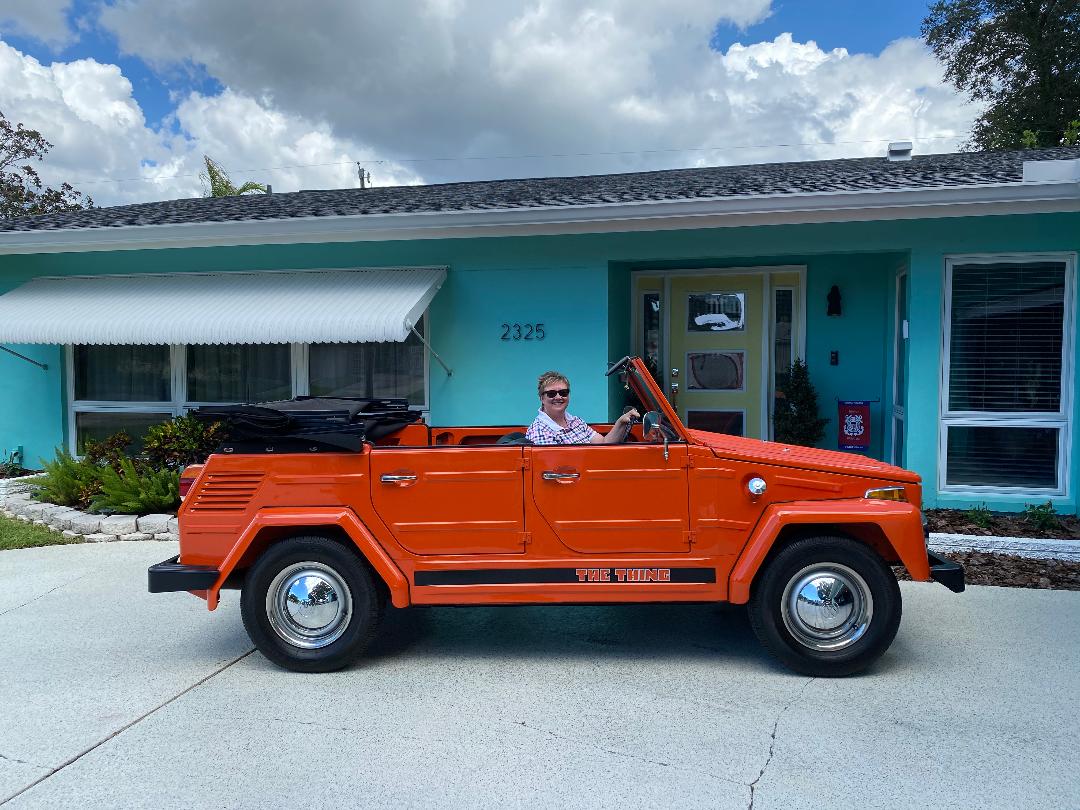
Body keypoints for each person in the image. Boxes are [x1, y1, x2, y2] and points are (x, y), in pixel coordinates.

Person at [525, 370, 639, 445]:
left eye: (563, 392)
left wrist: (621, 422)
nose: (558, 397)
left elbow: (604, 442)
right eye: (551, 393)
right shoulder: (540, 430)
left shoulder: (576, 421)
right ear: (541, 398)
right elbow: (556, 469)